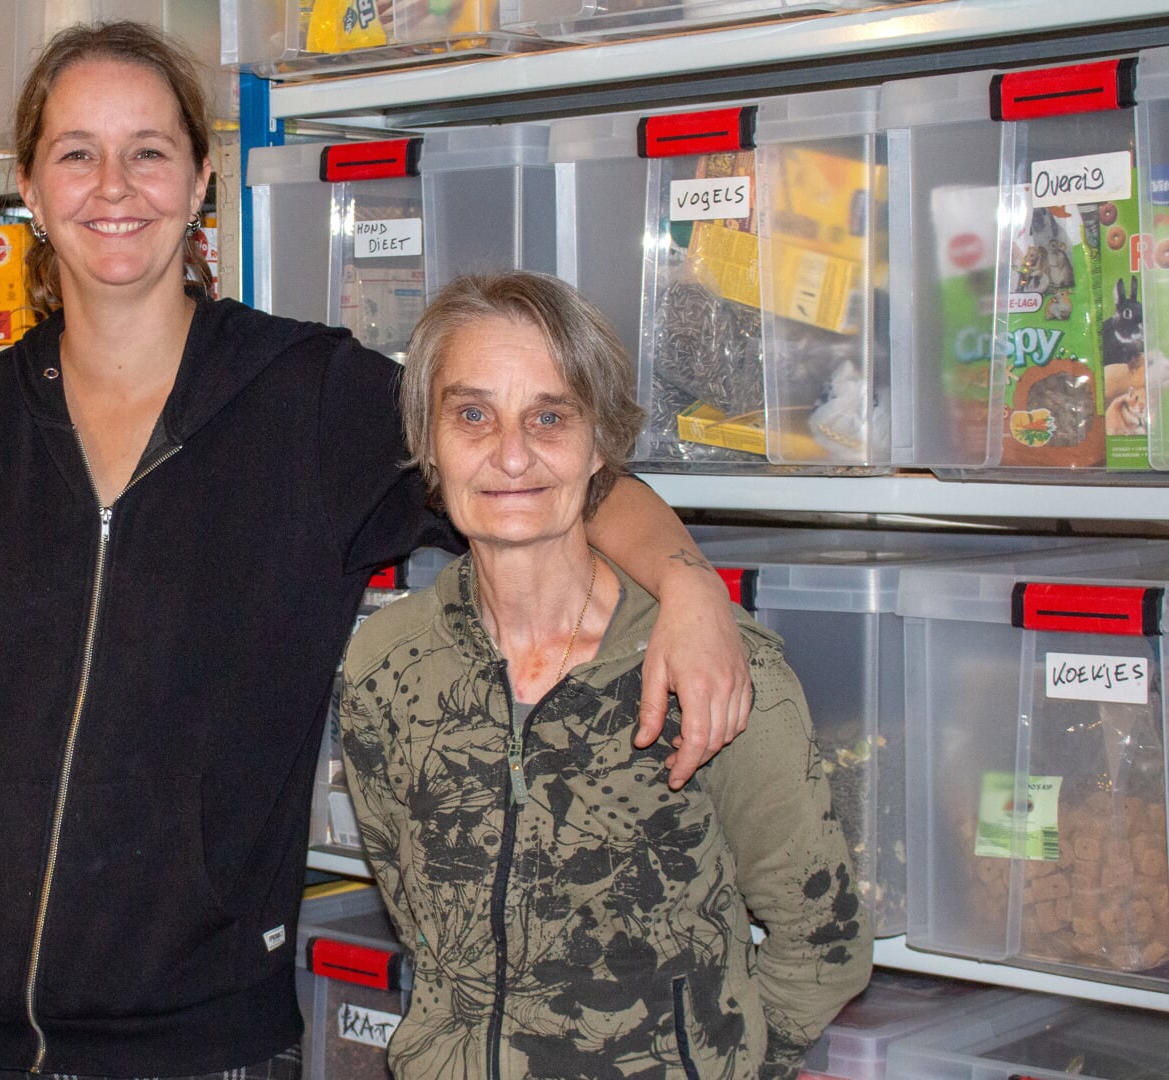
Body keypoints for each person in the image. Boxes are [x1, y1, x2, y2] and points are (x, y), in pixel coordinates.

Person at [0, 21, 754, 1080]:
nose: (113, 185)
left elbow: (565, 479)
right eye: (76, 152)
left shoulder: (309, 398)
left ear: (199, 180)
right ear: (28, 185)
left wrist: (688, 591)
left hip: (199, 1031)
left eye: (148, 151)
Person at [336, 272, 871, 1080]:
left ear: (599, 447)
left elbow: (822, 938)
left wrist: (729, 1064)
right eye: (471, 415)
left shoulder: (714, 669)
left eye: (549, 417)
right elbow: (423, 922)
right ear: (429, 441)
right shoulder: (388, 663)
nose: (510, 454)